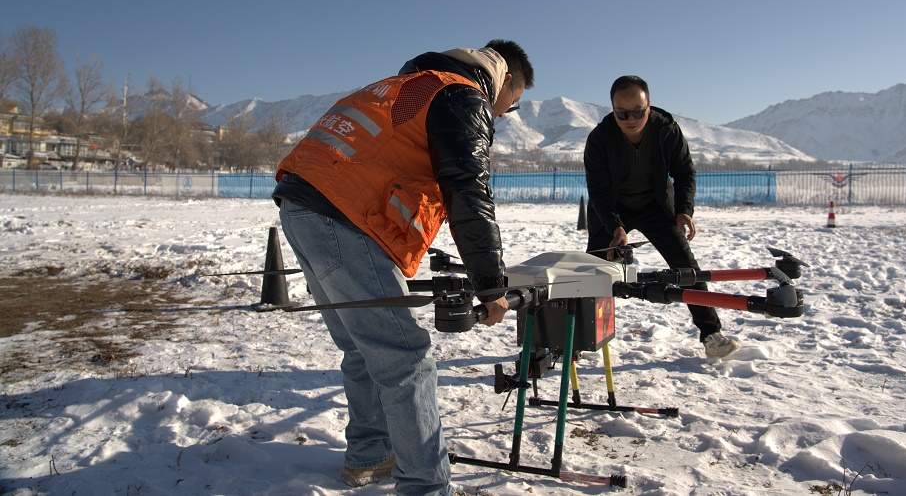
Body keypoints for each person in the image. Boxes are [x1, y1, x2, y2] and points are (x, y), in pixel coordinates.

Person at [272, 40, 534, 496]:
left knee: (362, 347)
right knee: (405, 360)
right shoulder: (461, 94)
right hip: (342, 216)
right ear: (506, 80)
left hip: (303, 206)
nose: (507, 114)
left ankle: (371, 456)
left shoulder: (410, 83)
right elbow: (468, 190)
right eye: (513, 104)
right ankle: (425, 485)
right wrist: (491, 284)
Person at [583, 75, 740, 359]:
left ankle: (711, 334)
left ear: (650, 106)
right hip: (613, 210)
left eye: (638, 112)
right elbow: (598, 191)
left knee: (687, 268)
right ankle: (581, 337)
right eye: (622, 113)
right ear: (613, 110)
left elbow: (684, 173)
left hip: (657, 207)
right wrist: (615, 226)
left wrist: (684, 211)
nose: (631, 118)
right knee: (593, 270)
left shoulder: (667, 131)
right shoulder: (599, 138)